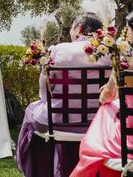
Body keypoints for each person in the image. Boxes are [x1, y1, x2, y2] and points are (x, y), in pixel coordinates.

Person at [16, 11, 107, 177]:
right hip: (99, 124)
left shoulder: (58, 50)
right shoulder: (109, 53)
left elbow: (45, 93)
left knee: (31, 112)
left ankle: (40, 172)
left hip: (58, 123)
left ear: (78, 28)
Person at [69, 12, 133, 177]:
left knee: (106, 108)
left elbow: (106, 97)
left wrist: (109, 88)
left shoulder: (125, 60)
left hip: (129, 138)